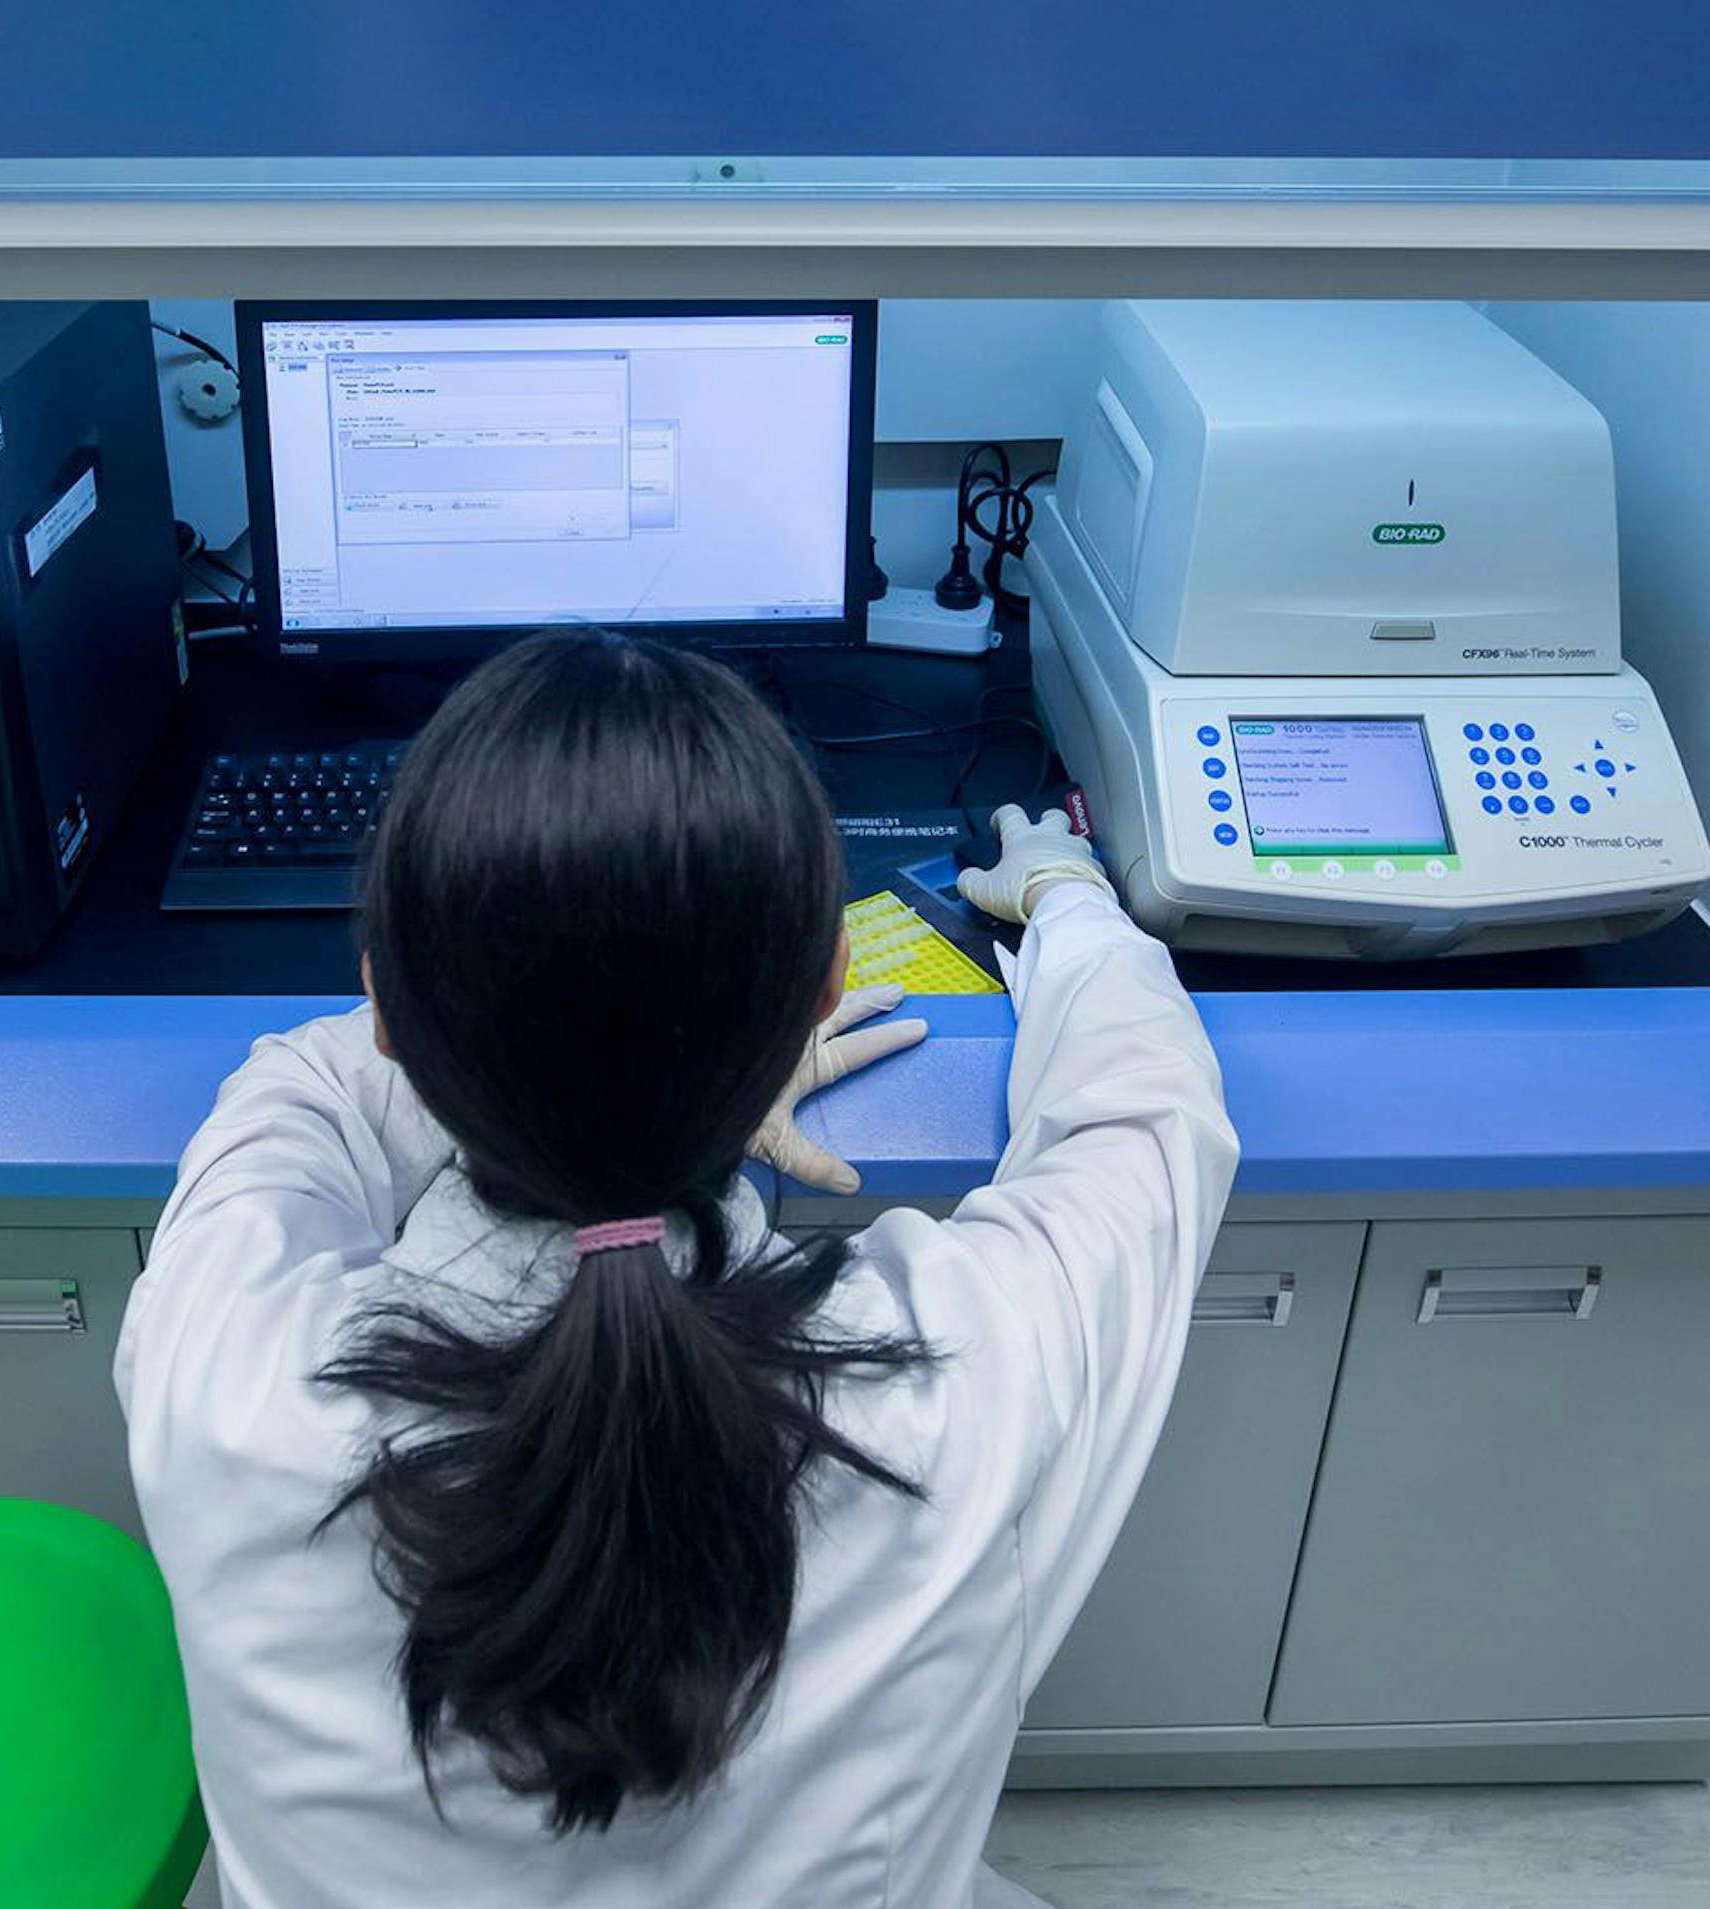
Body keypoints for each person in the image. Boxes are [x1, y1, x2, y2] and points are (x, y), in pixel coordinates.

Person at [117, 631, 1237, 1909]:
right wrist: (1063, 895)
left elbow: (303, 1088)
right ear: (827, 986)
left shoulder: (222, 1376)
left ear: (387, 1004)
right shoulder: (966, 1382)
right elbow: (1146, 1118)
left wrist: (610, 1094)